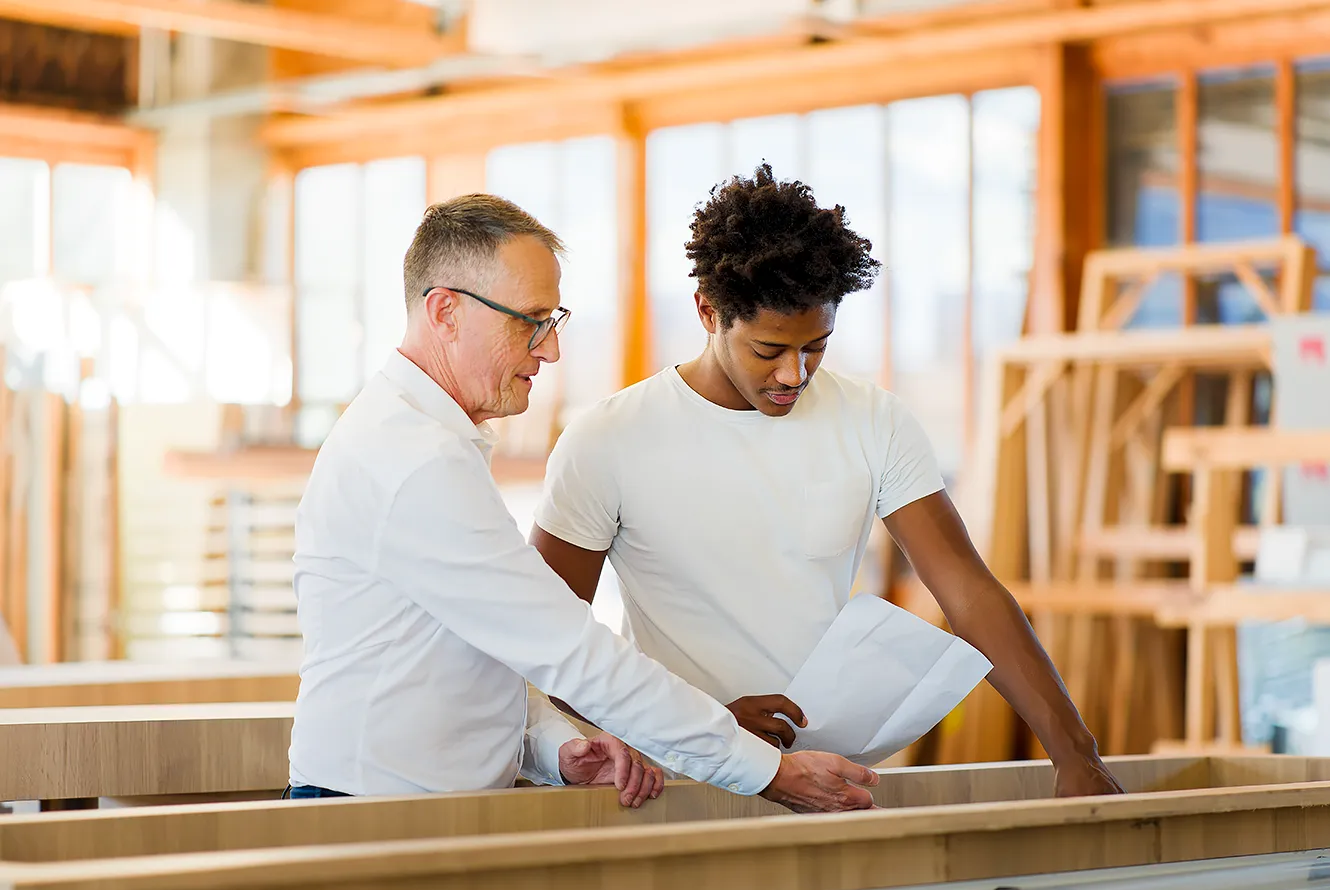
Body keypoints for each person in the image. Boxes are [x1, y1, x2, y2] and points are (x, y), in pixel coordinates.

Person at [531, 165, 1123, 798]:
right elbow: (546, 637)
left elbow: (968, 591)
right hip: (677, 780)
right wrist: (704, 728)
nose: (795, 373)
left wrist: (1075, 752)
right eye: (769, 350)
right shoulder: (608, 439)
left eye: (817, 345)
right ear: (708, 311)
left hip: (831, 774)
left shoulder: (875, 420)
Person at [285, 192, 880, 813]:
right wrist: (765, 771)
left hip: (407, 808)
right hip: (370, 813)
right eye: (529, 321)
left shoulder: (430, 443)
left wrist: (556, 747)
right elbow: (569, 649)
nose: (550, 350)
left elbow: (476, 653)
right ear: (445, 313)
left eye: (554, 321)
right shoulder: (414, 460)